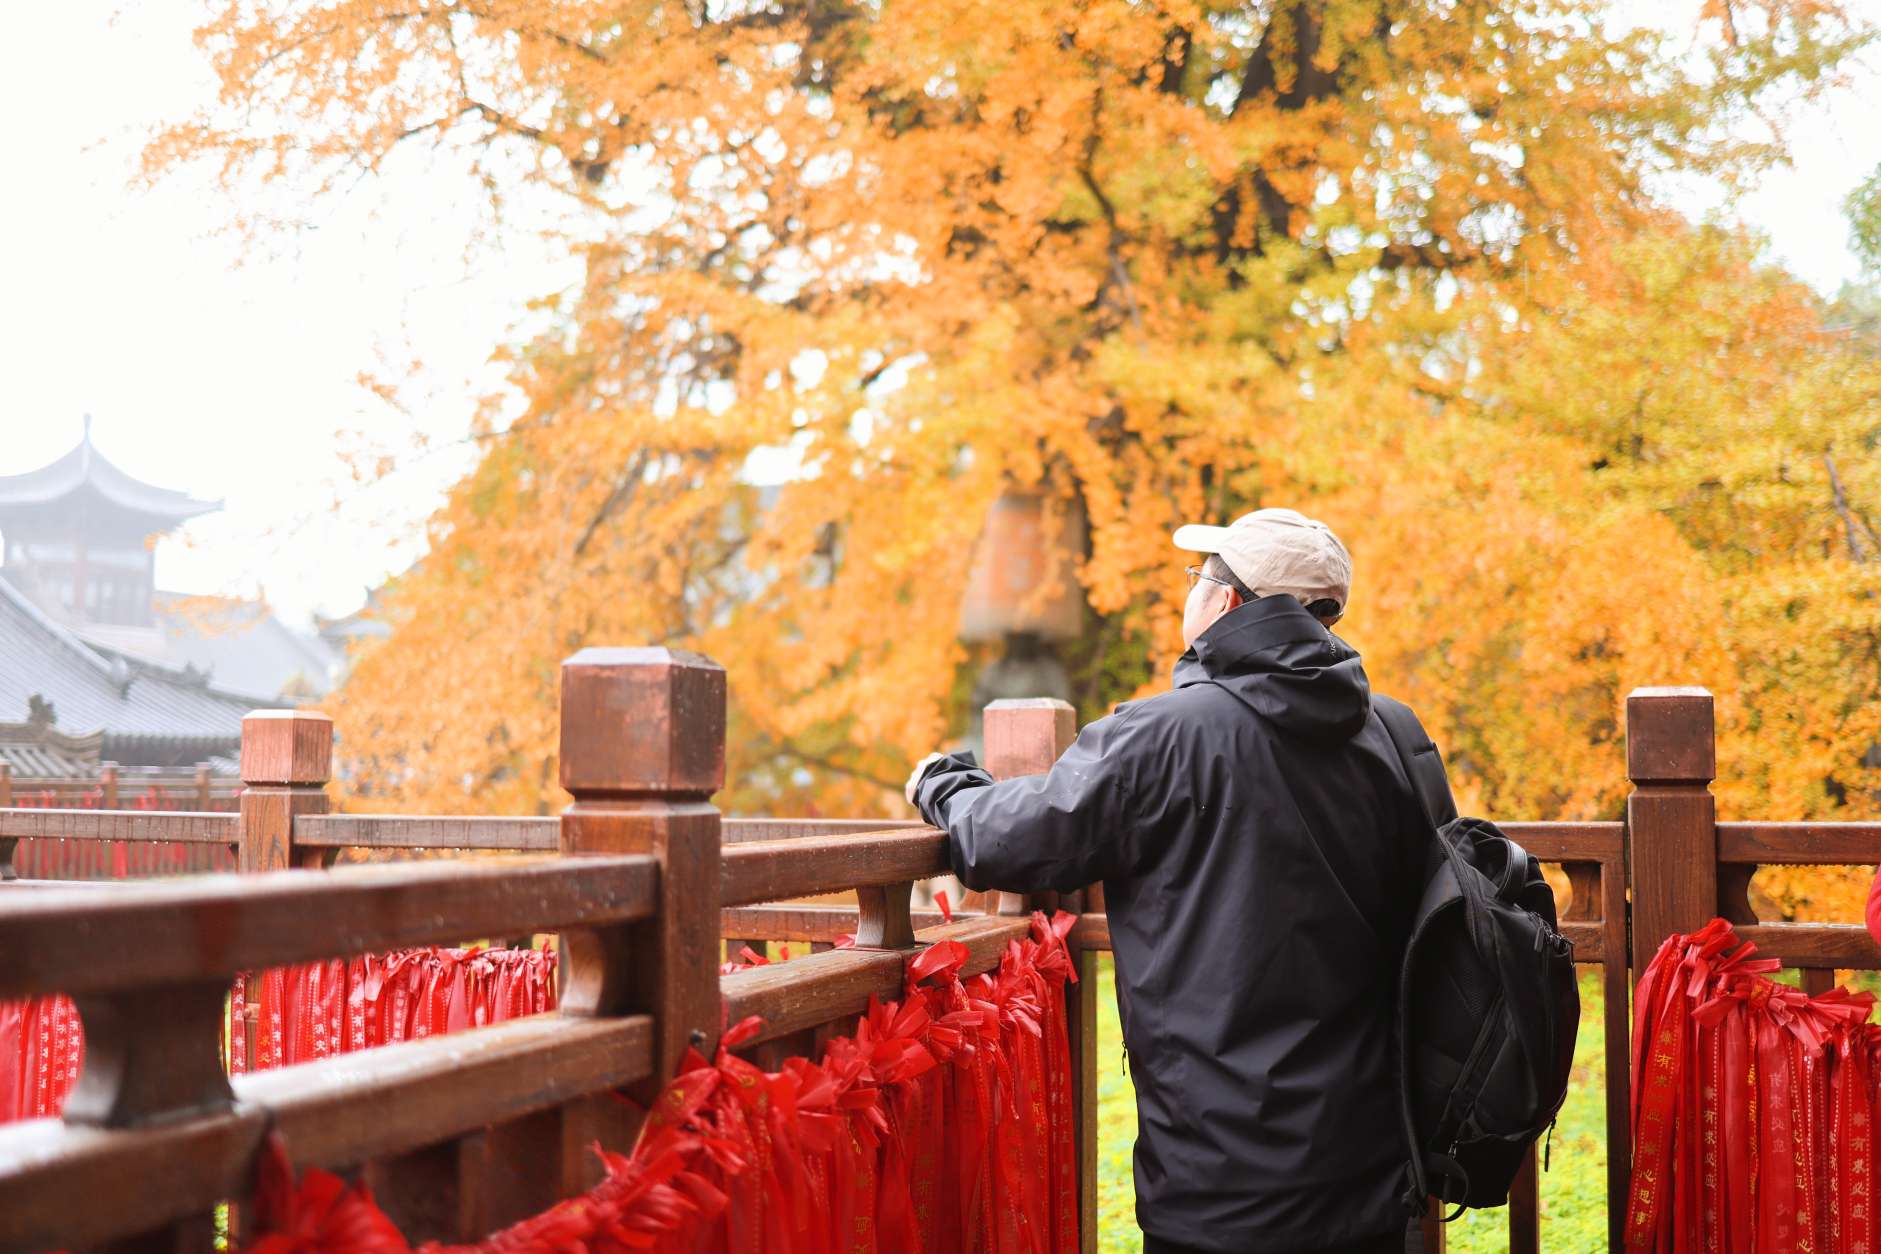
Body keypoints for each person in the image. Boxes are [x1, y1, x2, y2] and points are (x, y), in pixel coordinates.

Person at [906, 508, 1450, 1254]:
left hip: (1219, 1176)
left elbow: (1004, 840)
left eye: (1197, 576)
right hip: (1376, 1156)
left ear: (1226, 603)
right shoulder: (1397, 733)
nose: (1188, 590)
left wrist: (944, 783)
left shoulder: (1163, 736)